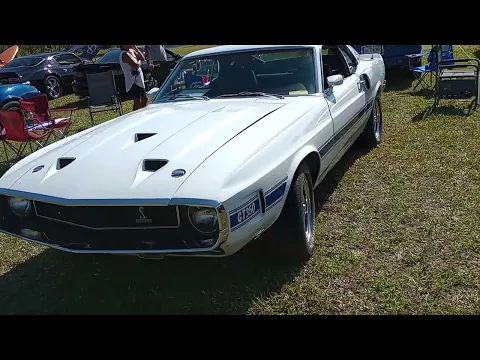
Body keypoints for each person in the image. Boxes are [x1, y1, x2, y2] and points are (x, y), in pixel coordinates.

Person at [119, 45, 147, 111]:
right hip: (132, 82)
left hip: (139, 80)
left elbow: (142, 58)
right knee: (137, 101)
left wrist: (136, 49)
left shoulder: (132, 51)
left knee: (144, 99)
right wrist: (139, 60)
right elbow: (135, 66)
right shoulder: (124, 54)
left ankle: (141, 113)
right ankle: (135, 116)